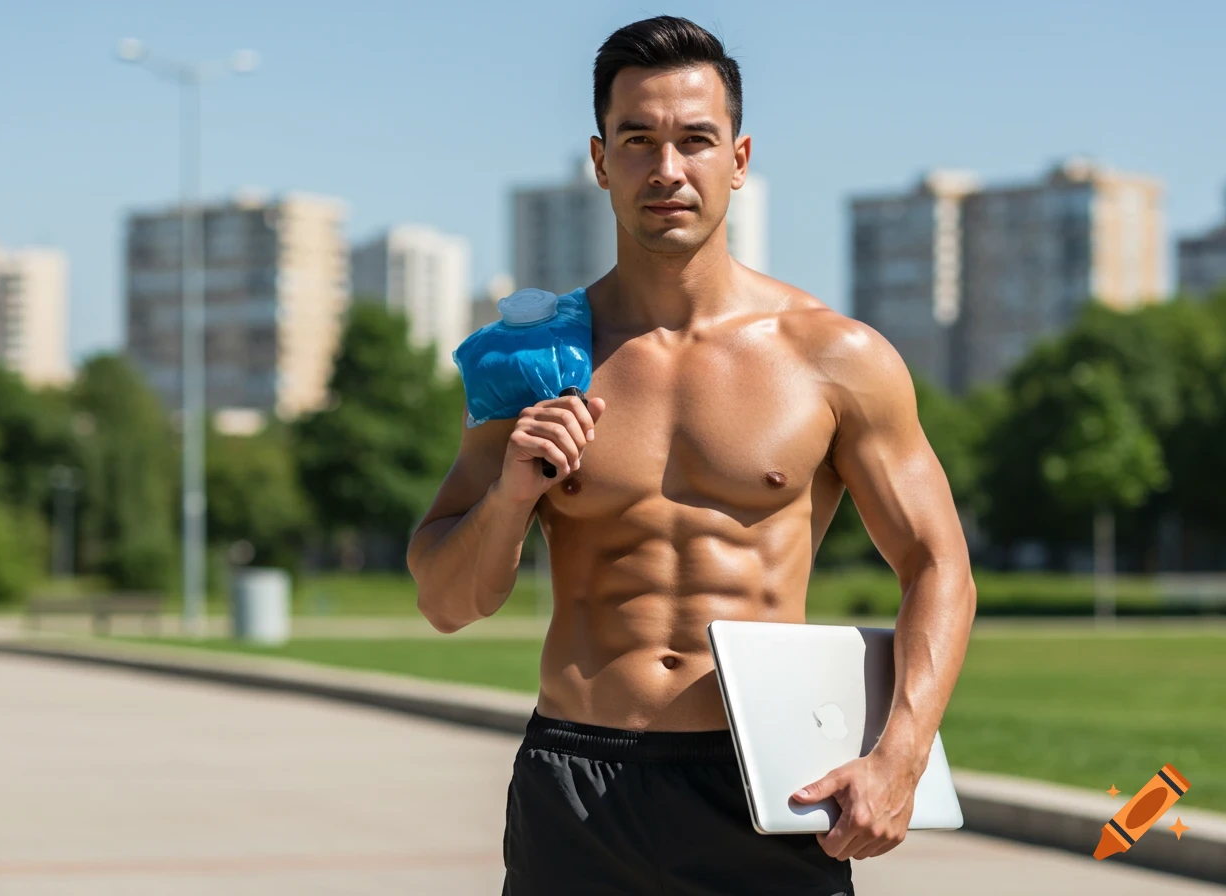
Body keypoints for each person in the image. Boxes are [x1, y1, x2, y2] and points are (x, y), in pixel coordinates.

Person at [407, 15, 975, 896]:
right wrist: (511, 496)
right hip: (577, 785)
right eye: (637, 140)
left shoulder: (834, 356)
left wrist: (899, 756)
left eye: (694, 140)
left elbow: (938, 563)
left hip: (766, 784)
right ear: (600, 162)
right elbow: (448, 601)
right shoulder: (533, 362)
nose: (666, 169)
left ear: (739, 160)